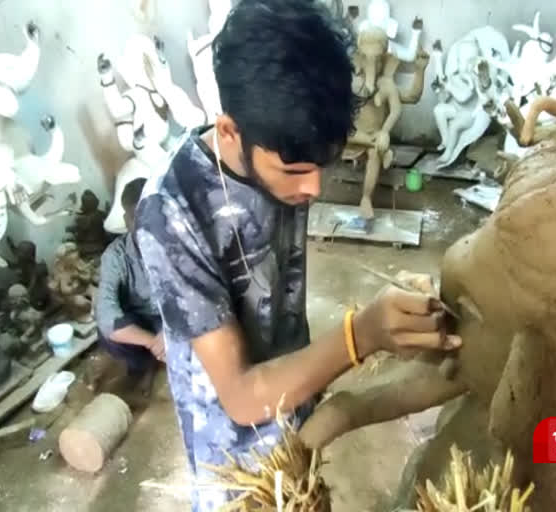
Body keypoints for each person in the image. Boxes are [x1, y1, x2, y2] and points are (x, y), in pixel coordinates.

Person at [134, 1, 461, 509]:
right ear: (229, 131)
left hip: (297, 403)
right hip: (235, 459)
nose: (313, 188)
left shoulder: (287, 150)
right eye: (293, 171)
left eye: (321, 165)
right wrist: (363, 333)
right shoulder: (172, 213)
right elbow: (241, 397)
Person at [94, 178, 163, 396]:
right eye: (135, 217)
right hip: (141, 323)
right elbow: (106, 316)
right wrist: (153, 341)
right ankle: (146, 364)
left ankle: (167, 355)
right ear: (126, 219)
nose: (143, 225)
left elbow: (193, 293)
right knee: (108, 335)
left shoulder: (177, 242)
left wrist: (169, 331)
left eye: (148, 215)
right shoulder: (115, 256)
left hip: (172, 319)